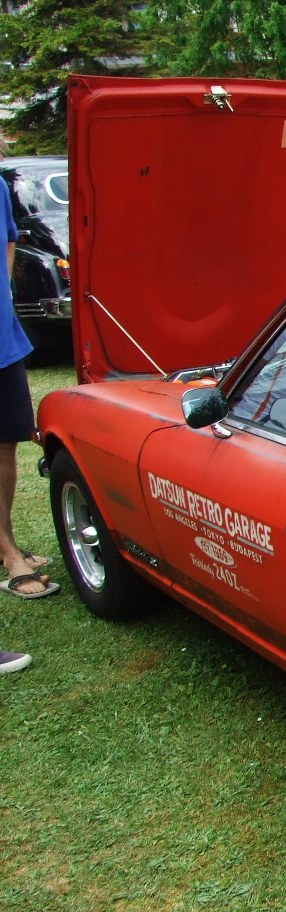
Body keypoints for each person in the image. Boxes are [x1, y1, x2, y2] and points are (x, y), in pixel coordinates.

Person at [0, 177, 57, 602]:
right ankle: (8, 553)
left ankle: (3, 544)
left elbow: (8, 246)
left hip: (4, 341)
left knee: (6, 443)